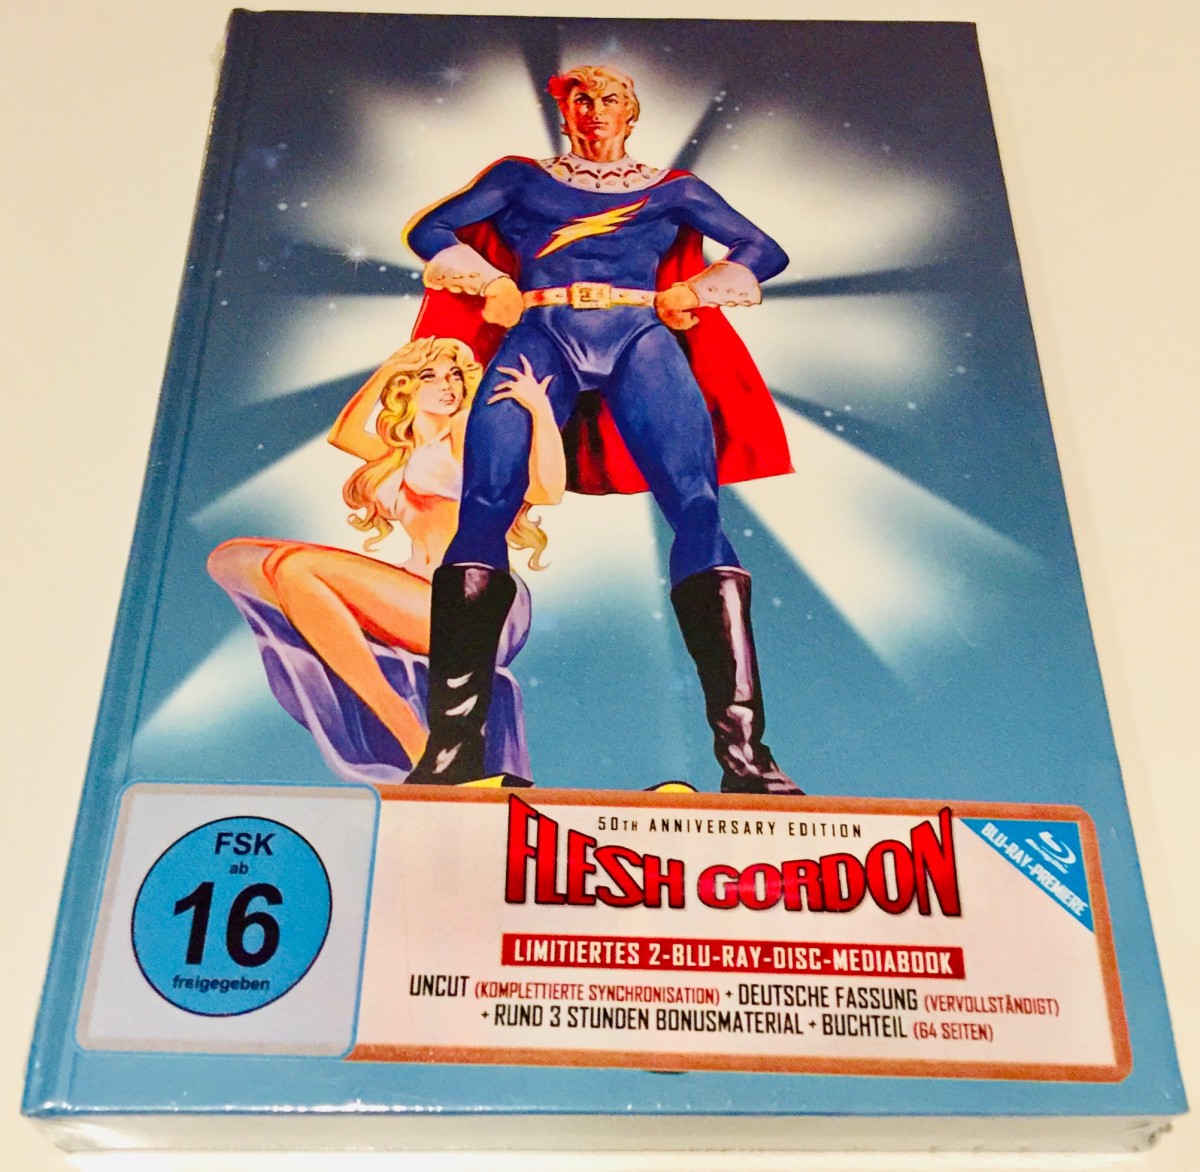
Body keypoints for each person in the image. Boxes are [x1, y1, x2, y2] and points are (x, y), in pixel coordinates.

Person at [402, 65, 802, 794]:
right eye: (579, 99)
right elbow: (432, 228)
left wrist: (694, 290)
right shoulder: (522, 179)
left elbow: (763, 250)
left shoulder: (672, 189)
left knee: (698, 508)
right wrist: (491, 281)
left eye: (608, 98)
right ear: (566, 113)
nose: (592, 110)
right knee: (484, 505)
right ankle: (452, 752)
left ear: (631, 112)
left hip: (639, 336)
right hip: (541, 332)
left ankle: (747, 759)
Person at [207, 335, 563, 785]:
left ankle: (410, 736)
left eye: (455, 375)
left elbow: (546, 490)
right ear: (406, 387)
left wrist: (539, 410)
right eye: (430, 376)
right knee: (241, 561)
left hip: (472, 604)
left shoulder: (465, 432)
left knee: (294, 568)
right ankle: (407, 731)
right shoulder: (398, 456)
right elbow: (343, 434)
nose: (448, 385)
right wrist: (392, 365)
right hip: (413, 591)